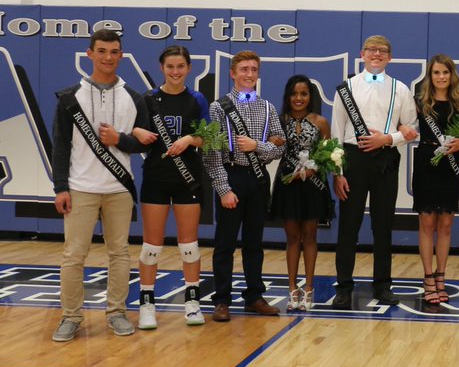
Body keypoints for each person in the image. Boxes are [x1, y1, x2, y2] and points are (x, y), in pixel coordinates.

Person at [50, 29, 153, 341]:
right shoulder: (71, 97)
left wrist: (119, 139)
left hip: (119, 189)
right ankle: (70, 316)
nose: (108, 57)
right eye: (102, 51)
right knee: (73, 255)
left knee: (119, 253)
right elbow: (61, 145)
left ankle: (117, 313)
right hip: (80, 187)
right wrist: (60, 187)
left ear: (121, 55)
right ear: (90, 54)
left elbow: (144, 142)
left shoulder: (134, 98)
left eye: (114, 51)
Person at [330, 35, 418, 308]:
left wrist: (388, 138)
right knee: (348, 225)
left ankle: (382, 285)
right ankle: (344, 286)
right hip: (353, 159)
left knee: (383, 226)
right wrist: (337, 172)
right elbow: (336, 131)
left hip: (385, 160)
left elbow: (412, 129)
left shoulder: (400, 89)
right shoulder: (346, 88)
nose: (376, 54)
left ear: (390, 57)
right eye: (371, 50)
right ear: (362, 54)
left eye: (382, 51)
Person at [131, 45, 210, 330]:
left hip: (188, 179)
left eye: (180, 67)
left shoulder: (197, 99)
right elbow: (133, 130)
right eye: (170, 67)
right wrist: (136, 130)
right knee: (151, 246)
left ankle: (192, 304)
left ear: (189, 68)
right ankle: (147, 305)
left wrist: (189, 139)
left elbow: (207, 137)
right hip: (156, 178)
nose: (175, 72)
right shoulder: (148, 99)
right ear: (162, 68)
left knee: (189, 245)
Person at [203, 50, 285, 322]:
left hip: (258, 179)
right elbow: (211, 153)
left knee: (254, 243)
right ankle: (221, 300)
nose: (249, 74)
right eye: (244, 69)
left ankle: (254, 297)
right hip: (231, 175)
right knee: (225, 243)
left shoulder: (268, 107)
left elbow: (279, 146)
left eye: (253, 69)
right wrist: (223, 188)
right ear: (233, 73)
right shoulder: (218, 107)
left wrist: (257, 146)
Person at [270, 75, 333, 312]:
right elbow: (269, 150)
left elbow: (328, 155)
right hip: (287, 184)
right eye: (294, 94)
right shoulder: (279, 121)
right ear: (288, 96)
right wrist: (272, 141)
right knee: (292, 238)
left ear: (310, 96)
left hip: (312, 186)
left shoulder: (321, 122)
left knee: (310, 236)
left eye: (304, 94)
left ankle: (309, 287)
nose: (298, 98)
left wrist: (312, 169)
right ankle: (291, 288)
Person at [412, 54, 459, 305]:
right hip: (426, 162)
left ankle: (441, 277)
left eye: (445, 72)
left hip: (450, 165)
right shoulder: (419, 102)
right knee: (427, 223)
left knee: (445, 224)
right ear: (430, 76)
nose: (441, 77)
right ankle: (427, 278)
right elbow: (406, 127)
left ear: (451, 75)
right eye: (436, 72)